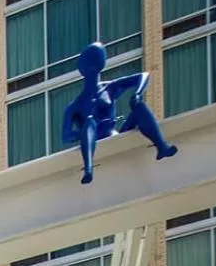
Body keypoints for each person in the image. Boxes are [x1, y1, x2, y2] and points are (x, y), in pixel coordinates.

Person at [60, 42, 177, 185]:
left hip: (115, 134)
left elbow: (143, 76)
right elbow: (65, 136)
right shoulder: (75, 105)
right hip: (94, 139)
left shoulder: (109, 87)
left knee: (139, 107)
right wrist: (85, 131)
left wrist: (138, 93)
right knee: (90, 121)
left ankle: (162, 146)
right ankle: (88, 168)